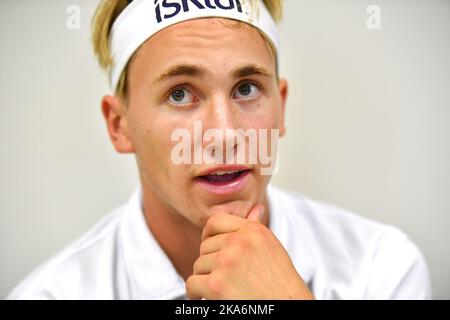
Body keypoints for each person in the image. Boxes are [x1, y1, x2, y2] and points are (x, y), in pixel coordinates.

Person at [8, 0, 431, 300]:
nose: (224, 133)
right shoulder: (52, 294)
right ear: (120, 126)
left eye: (246, 89)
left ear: (280, 106)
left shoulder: (380, 269)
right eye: (179, 94)